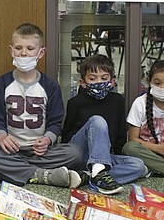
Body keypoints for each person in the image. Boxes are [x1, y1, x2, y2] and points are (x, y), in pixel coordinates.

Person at [0, 23, 83, 188]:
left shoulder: (50, 86)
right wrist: (1, 137)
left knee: (76, 153)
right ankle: (41, 175)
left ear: (41, 52)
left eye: (30, 48)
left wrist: (47, 140)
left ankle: (3, 171)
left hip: (40, 153)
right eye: (18, 47)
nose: (23, 53)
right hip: (9, 151)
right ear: (11, 50)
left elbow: (56, 122)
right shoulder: (1, 83)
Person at [61, 54, 147, 195]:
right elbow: (67, 136)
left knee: (139, 166)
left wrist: (112, 155)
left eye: (104, 78)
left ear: (112, 82)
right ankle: (97, 172)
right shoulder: (75, 102)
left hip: (104, 156)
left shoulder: (118, 101)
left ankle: (88, 176)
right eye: (92, 78)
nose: (98, 82)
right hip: (81, 153)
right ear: (83, 82)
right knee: (97, 120)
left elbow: (120, 135)